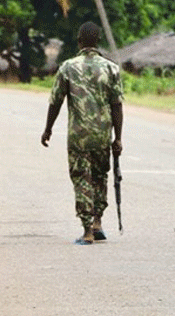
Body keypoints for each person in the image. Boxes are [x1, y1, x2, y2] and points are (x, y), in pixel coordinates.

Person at [41, 21, 124, 245]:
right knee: (99, 177)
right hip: (101, 135)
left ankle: (87, 231)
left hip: (78, 136)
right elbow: (117, 105)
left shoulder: (68, 67)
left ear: (79, 41)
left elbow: (55, 102)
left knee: (81, 179)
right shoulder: (110, 68)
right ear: (98, 41)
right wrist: (118, 138)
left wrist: (48, 129)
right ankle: (97, 223)